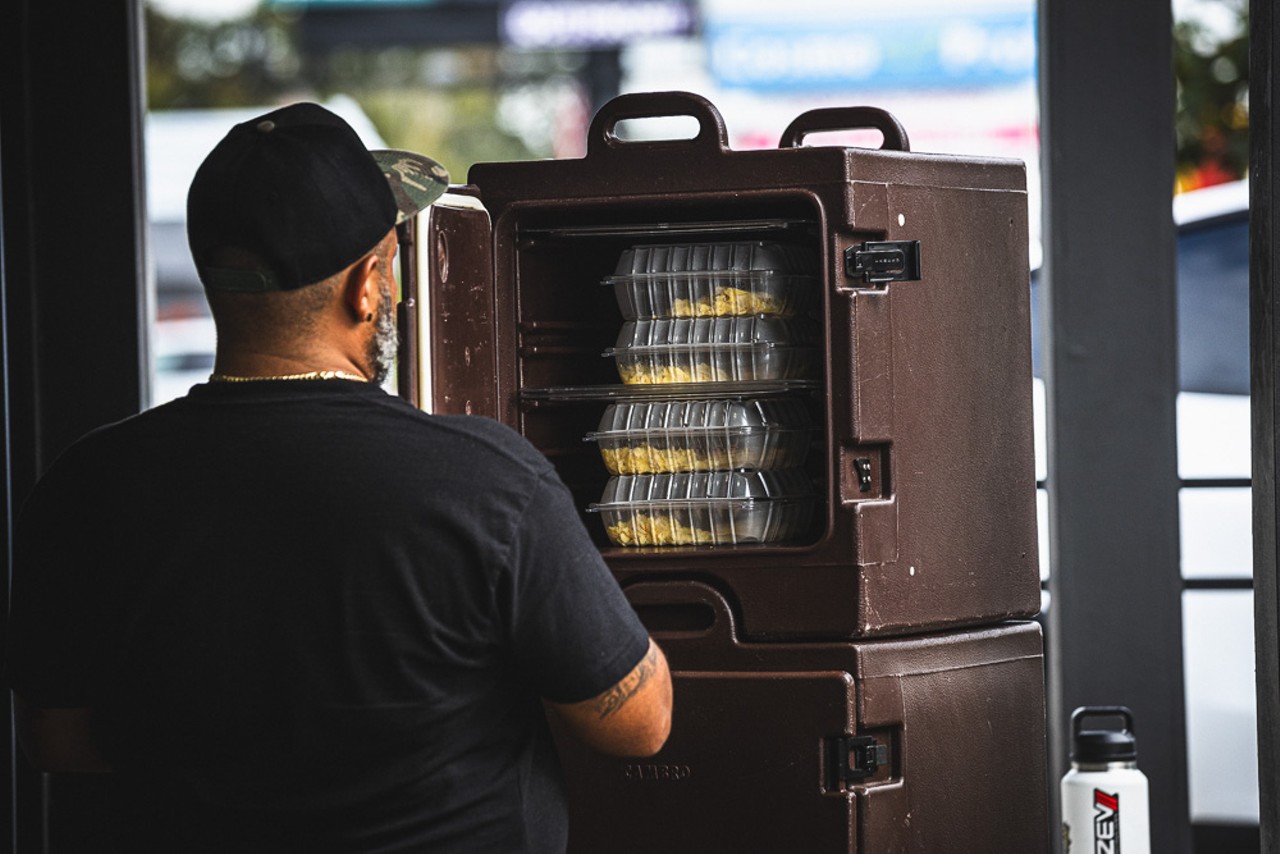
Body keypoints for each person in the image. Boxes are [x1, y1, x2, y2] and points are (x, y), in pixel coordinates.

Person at [5, 102, 672, 852]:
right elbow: (636, 725)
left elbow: (58, 743)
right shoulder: (487, 485)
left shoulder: (84, 487)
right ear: (368, 284)